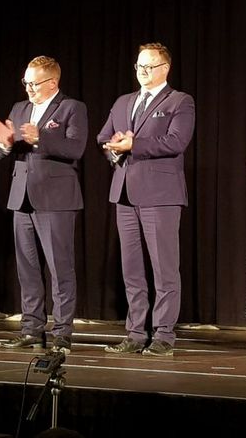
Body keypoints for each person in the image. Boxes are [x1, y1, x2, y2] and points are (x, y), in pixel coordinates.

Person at [98, 43, 195, 357]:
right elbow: (104, 137)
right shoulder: (123, 102)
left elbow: (176, 141)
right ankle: (136, 333)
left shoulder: (179, 101)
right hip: (125, 193)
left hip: (161, 194)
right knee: (132, 269)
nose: (142, 71)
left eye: (149, 66)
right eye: (139, 65)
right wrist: (113, 148)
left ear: (165, 68)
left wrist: (134, 144)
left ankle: (164, 334)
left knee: (164, 269)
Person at [0, 56, 87, 354]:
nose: (29, 89)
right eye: (26, 83)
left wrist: (40, 137)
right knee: (28, 269)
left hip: (56, 199)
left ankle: (62, 332)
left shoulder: (72, 107)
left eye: (34, 83)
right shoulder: (20, 108)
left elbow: (76, 148)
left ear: (52, 82)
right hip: (22, 197)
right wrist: (5, 143)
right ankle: (31, 330)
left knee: (60, 268)